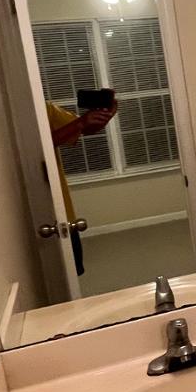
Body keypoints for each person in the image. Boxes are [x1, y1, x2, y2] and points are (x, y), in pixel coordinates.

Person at [46, 98, 118, 276]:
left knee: (72, 271)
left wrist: (104, 115)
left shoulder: (47, 109)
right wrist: (83, 121)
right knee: (58, 275)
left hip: (64, 212)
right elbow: (39, 144)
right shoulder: (30, 115)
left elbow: (83, 129)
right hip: (45, 206)